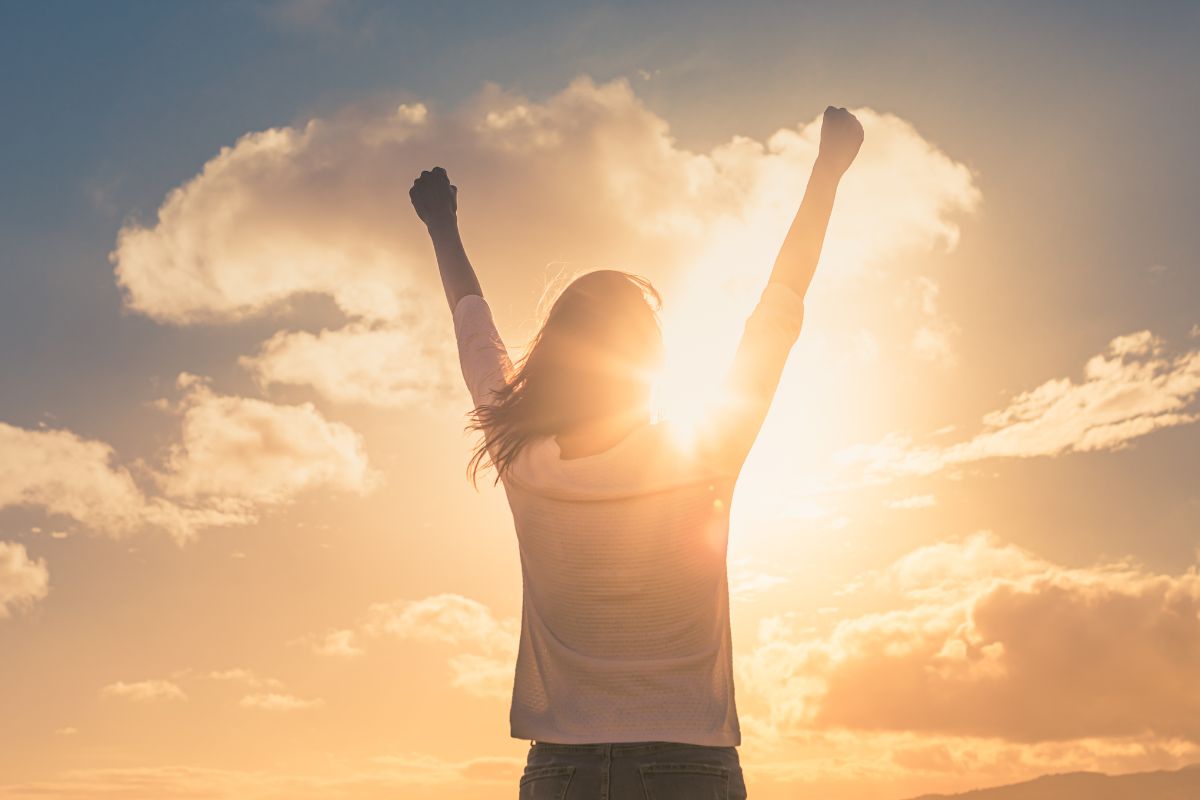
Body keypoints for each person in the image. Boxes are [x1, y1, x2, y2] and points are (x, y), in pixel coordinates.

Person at [410, 106, 864, 800]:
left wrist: (442, 225)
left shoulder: (523, 460)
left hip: (560, 770)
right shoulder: (703, 452)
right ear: (649, 360)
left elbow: (474, 330)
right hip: (690, 764)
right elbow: (779, 311)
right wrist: (827, 172)